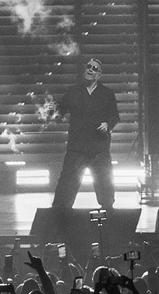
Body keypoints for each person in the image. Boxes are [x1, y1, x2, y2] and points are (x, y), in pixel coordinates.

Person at [51, 56, 119, 210]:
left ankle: (107, 216)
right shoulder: (73, 91)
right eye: (89, 67)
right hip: (77, 146)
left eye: (95, 68)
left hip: (99, 147)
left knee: (105, 184)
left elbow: (115, 116)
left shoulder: (107, 93)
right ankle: (59, 215)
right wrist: (51, 110)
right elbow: (60, 111)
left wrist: (107, 124)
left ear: (99, 74)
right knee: (67, 184)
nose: (90, 70)